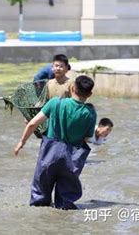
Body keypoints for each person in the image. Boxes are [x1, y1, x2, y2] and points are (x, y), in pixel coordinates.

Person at [14, 75, 97, 210]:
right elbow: (86, 139)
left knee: (40, 196)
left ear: (72, 88)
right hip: (72, 157)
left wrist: (21, 143)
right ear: (90, 94)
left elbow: (32, 124)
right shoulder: (90, 113)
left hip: (49, 153)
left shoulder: (55, 103)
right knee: (65, 201)